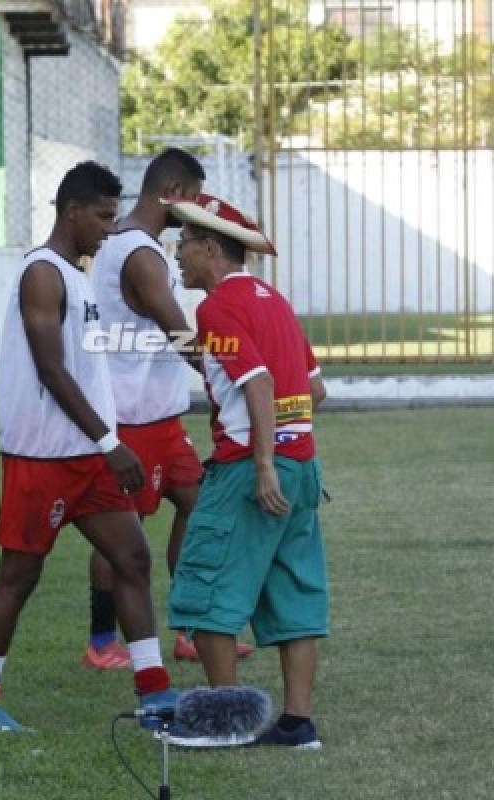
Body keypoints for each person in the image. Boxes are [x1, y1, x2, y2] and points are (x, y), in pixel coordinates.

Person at [0, 161, 176, 734]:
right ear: (71, 210)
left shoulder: (77, 275)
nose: (110, 227)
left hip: (89, 456)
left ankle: (155, 696)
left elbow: (86, 358)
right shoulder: (42, 273)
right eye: (103, 216)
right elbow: (52, 370)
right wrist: (111, 441)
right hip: (44, 458)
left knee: (132, 557)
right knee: (18, 577)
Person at [164, 192, 328, 749]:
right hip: (303, 467)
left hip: (248, 471)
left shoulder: (215, 308)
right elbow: (314, 388)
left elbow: (255, 382)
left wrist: (262, 462)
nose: (177, 253)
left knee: (208, 593)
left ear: (210, 247)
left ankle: (223, 726)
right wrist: (286, 447)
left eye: (183, 243)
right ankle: (297, 724)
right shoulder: (272, 299)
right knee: (295, 599)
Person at [83, 147, 253, 669]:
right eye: (195, 198)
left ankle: (186, 631)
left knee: (195, 506)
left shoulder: (140, 245)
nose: (198, 209)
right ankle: (100, 642)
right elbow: (176, 329)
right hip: (130, 417)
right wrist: (227, 370)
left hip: (159, 415)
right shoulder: (138, 252)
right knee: (121, 533)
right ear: (174, 193)